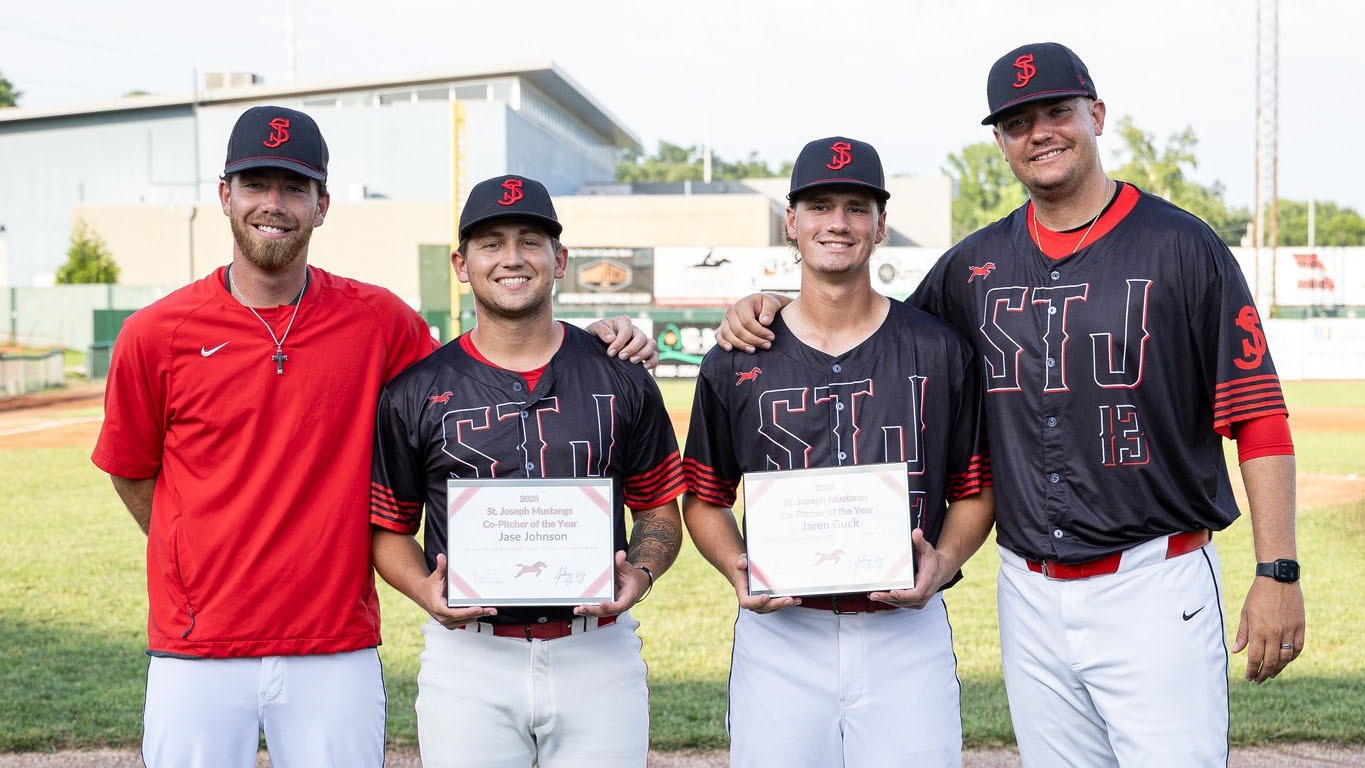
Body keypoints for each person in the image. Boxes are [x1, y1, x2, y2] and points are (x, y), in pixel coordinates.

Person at [716, 43, 1304, 767]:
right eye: (1017, 122)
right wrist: (774, 306)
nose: (1039, 133)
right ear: (999, 141)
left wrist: (1277, 572)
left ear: (1094, 114)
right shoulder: (972, 266)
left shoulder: (1182, 246)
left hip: (1155, 579)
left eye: (1055, 112)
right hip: (1027, 590)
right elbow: (874, 328)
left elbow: (1258, 416)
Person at [91, 106, 656, 768]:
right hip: (196, 644)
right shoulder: (155, 332)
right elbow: (131, 468)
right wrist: (192, 550)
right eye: (255, 184)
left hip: (335, 643)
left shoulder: (378, 321)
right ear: (225, 195)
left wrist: (603, 336)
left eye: (294, 188)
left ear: (322, 204)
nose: (273, 204)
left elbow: (480, 366)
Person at [683, 137, 992, 767]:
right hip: (781, 634)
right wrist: (738, 566)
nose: (839, 223)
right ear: (791, 222)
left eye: (857, 206)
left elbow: (975, 489)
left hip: (906, 629)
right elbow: (704, 499)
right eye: (820, 205)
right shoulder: (737, 355)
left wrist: (945, 561)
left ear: (880, 224)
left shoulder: (938, 349)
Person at [368, 174, 686, 768]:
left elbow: (659, 510)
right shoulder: (415, 390)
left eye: (530, 241)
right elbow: (388, 530)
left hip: (598, 652)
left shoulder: (621, 375)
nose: (512, 258)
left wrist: (639, 574)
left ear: (560, 260)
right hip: (468, 657)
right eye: (491, 243)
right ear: (462, 265)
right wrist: (423, 589)